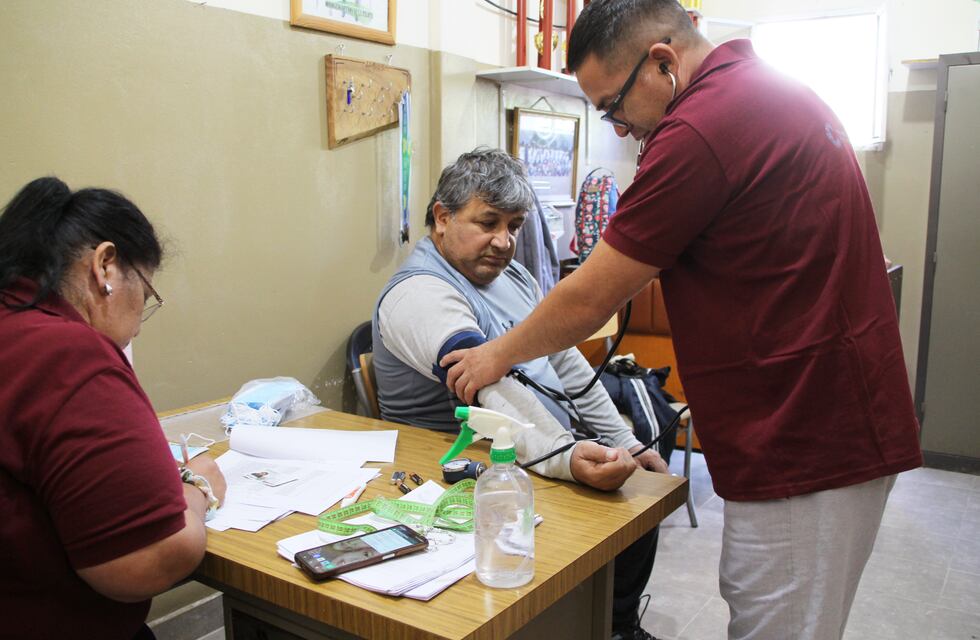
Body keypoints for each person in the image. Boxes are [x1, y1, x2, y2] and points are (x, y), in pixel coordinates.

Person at [439, 2, 923, 639]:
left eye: (613, 108)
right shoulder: (763, 92)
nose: (619, 131)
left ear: (662, 63)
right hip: (823, 418)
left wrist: (495, 355)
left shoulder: (702, 127)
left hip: (806, 436)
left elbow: (591, 298)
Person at [372, 147, 668, 640]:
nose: (503, 241)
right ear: (442, 217)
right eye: (488, 222)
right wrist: (567, 456)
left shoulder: (511, 275)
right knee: (609, 519)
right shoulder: (419, 294)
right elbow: (491, 390)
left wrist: (626, 441)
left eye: (514, 226)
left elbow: (566, 361)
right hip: (461, 474)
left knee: (635, 503)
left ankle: (615, 628)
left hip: (531, 454)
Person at [0, 177, 228, 639]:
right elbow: (144, 563)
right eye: (145, 293)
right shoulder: (67, 355)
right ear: (105, 265)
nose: (137, 328)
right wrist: (198, 489)